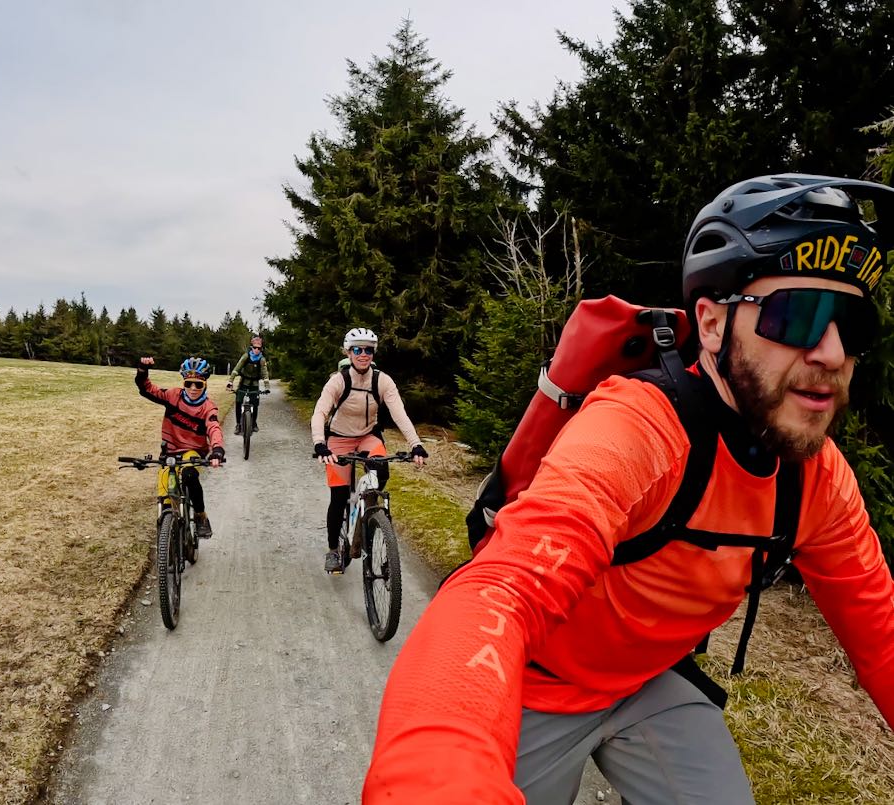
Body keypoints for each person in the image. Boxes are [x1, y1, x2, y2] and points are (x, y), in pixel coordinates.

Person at [363, 175, 894, 804]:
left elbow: (881, 633)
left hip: (649, 682)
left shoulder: (818, 479)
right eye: (797, 315)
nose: (832, 352)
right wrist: (436, 778)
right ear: (713, 323)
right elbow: (498, 591)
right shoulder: (637, 429)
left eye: (852, 323)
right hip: (539, 685)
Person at [311, 327, 429, 573]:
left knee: (380, 473)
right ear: (348, 352)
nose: (363, 354)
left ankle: (370, 518)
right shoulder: (339, 380)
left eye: (368, 350)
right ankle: (334, 550)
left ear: (373, 353)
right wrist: (319, 443)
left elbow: (400, 415)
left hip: (367, 436)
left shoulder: (382, 380)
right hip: (338, 440)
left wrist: (415, 444)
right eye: (357, 349)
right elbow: (320, 411)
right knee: (339, 497)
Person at [135, 356, 225, 538]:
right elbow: (146, 389)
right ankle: (167, 534)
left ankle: (200, 516)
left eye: (198, 385)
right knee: (165, 495)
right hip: (169, 450)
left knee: (189, 474)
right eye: (189, 383)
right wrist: (143, 370)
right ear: (184, 383)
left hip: (192, 451)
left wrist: (217, 449)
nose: (193, 389)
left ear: (205, 385)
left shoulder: (208, 407)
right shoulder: (172, 396)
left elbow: (214, 428)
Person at [226, 335, 271, 434]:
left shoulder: (262, 360)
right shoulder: (246, 356)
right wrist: (230, 381)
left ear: (261, 349)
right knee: (238, 401)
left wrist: (267, 387)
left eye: (259, 348)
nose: (256, 350)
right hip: (244, 382)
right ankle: (238, 424)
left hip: (254, 383)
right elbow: (237, 368)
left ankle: (254, 423)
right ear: (251, 347)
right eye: (255, 348)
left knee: (255, 403)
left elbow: (265, 373)